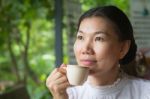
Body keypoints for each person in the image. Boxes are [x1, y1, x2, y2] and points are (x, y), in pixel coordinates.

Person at [46, 5, 150, 99]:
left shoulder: (145, 92)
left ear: (122, 48)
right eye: (81, 37)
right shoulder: (68, 95)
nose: (85, 49)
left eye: (99, 38)